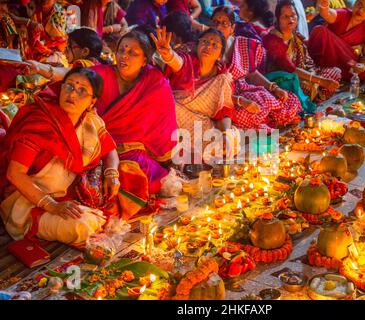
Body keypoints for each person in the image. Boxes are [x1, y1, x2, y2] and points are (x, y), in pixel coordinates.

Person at [24, 30, 179, 220]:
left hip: (133, 152)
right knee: (94, 192)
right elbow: (72, 76)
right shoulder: (102, 74)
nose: (124, 56)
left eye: (133, 53)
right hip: (94, 150)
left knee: (145, 180)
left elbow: (164, 119)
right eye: (122, 49)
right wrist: (41, 68)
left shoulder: (153, 80)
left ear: (145, 60)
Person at [0, 67, 119, 247]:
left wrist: (112, 174)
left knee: (129, 179)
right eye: (69, 86)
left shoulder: (91, 122)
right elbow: (15, 173)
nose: (72, 94)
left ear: (92, 101)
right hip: (28, 202)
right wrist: (52, 206)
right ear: (60, 88)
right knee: (82, 226)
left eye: (82, 91)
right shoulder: (40, 122)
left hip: (70, 194)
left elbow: (110, 150)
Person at [152, 27, 239, 161]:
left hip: (201, 124)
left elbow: (224, 112)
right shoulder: (188, 62)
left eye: (214, 44)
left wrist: (225, 135)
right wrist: (168, 54)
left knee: (228, 142)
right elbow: (178, 63)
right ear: (197, 45)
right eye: (204, 41)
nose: (208, 46)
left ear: (220, 54)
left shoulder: (222, 78)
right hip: (174, 118)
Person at [211, 6, 302, 129]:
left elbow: (252, 74)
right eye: (215, 22)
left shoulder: (242, 43)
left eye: (224, 23)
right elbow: (211, 89)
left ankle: (268, 120)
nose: (218, 27)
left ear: (232, 28)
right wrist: (241, 101)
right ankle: (265, 121)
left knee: (286, 100)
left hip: (247, 90)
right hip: (225, 99)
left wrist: (273, 88)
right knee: (244, 113)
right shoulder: (207, 48)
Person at [263, 0, 341, 104]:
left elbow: (308, 61)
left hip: (303, 76)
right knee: (304, 87)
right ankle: (309, 100)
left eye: (293, 15)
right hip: (282, 82)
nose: (290, 19)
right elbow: (290, 69)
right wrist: (319, 80)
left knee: (335, 72)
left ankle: (315, 98)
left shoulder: (296, 36)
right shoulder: (272, 40)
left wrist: (313, 74)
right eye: (285, 17)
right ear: (277, 20)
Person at [308, 0, 365, 81]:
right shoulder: (344, 13)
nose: (361, 10)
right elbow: (328, 14)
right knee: (320, 30)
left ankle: (336, 73)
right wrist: (324, 5)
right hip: (327, 54)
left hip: (345, 60)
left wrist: (361, 65)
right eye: (359, 4)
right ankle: (325, 70)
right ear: (354, 3)